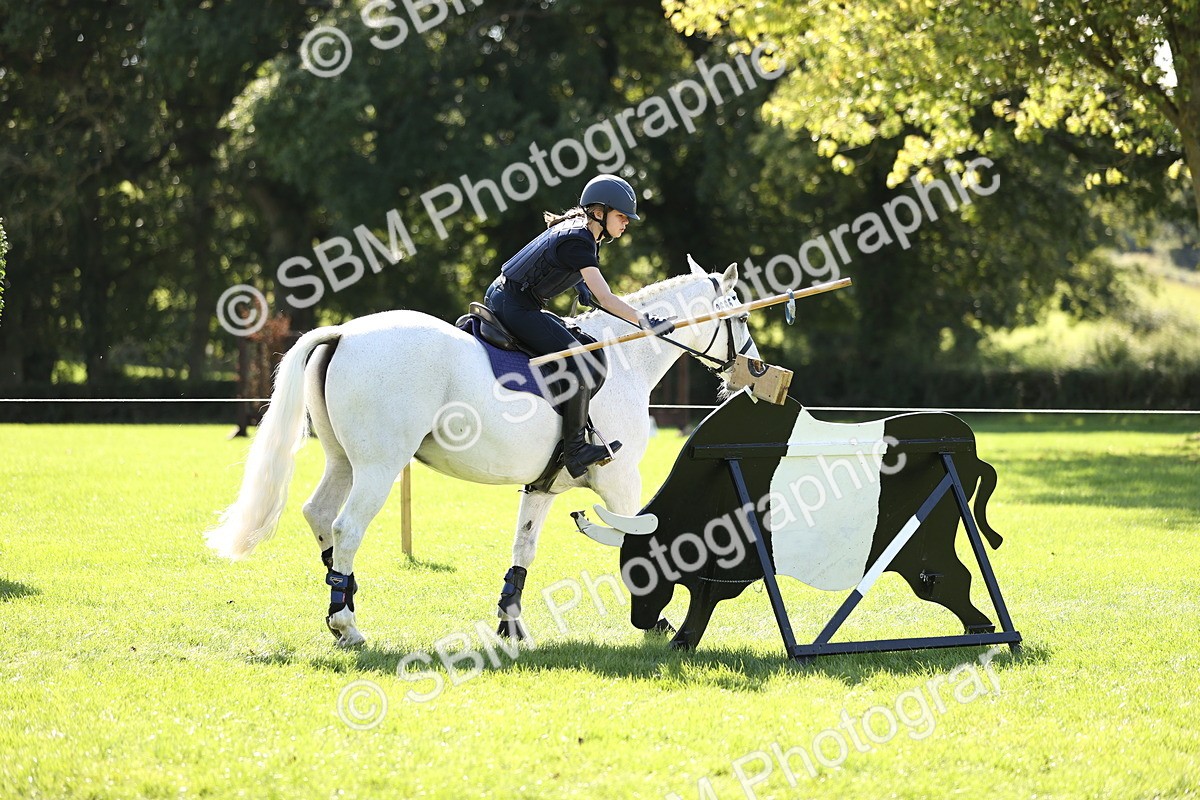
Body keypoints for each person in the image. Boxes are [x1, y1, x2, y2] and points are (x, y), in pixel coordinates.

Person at [483, 174, 675, 478]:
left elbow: (557, 267)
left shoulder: (581, 233)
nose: (627, 223)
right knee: (583, 363)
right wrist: (644, 321)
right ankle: (574, 450)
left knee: (587, 350)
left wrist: (581, 288)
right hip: (515, 307)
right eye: (622, 216)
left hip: (510, 299)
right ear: (599, 213)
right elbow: (605, 297)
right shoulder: (579, 240)